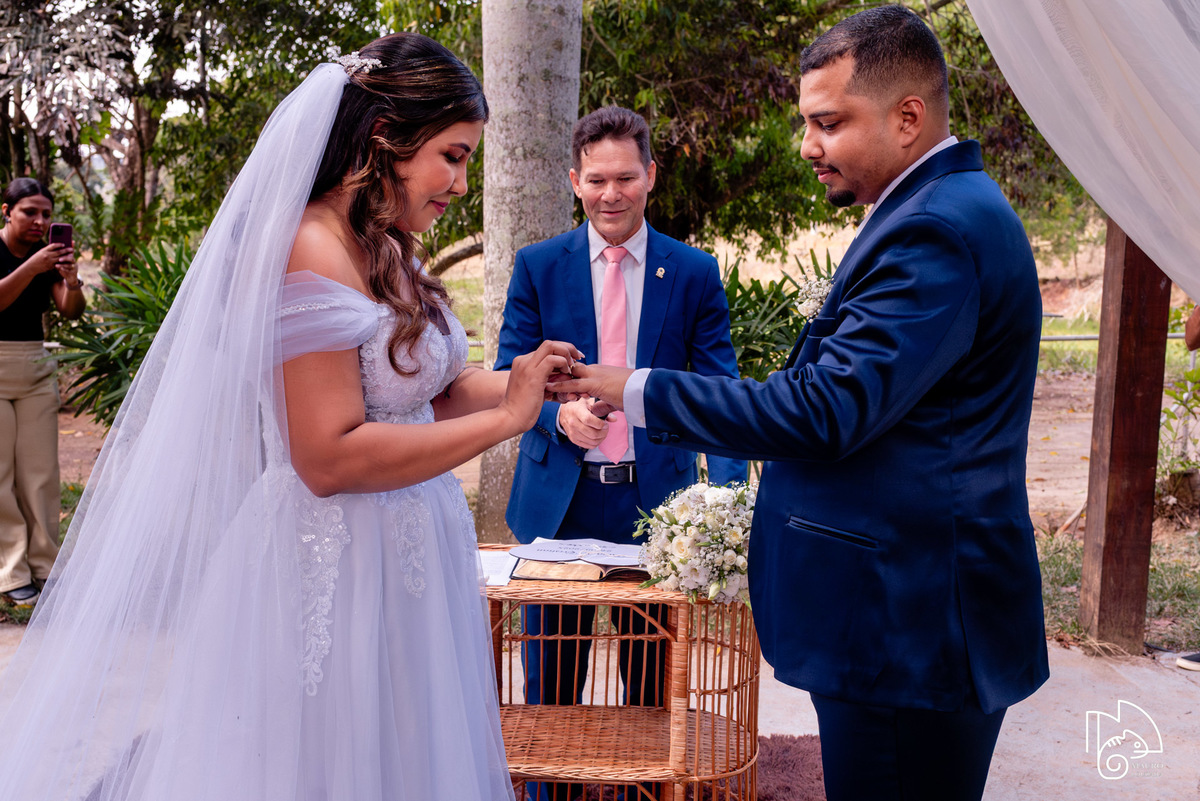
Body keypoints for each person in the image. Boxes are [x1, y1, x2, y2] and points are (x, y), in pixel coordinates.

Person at [0, 33, 579, 801]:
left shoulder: (388, 245)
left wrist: (528, 383)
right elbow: (327, 456)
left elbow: (428, 389)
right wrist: (508, 420)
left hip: (411, 557)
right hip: (335, 566)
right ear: (385, 139)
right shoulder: (309, 247)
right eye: (452, 155)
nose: (461, 183)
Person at [557, 7, 1049, 800]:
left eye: (828, 122)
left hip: (906, 622)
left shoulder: (936, 231)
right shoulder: (931, 211)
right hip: (899, 612)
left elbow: (825, 409)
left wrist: (632, 386)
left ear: (908, 118)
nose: (807, 145)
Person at [495, 105, 745, 801]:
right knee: (550, 693)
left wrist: (729, 506)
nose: (611, 193)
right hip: (559, 508)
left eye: (625, 178)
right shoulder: (537, 267)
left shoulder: (693, 272)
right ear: (575, 181)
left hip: (657, 512)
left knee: (651, 697)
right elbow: (508, 375)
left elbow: (719, 392)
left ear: (651, 176)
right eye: (597, 179)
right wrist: (558, 416)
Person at [0, 178, 86, 607]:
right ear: (6, 211)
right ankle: (11, 571)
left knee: (41, 474)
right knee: (1, 476)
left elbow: (70, 311)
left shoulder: (47, 256)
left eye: (46, 214)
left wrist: (71, 281)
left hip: (34, 365)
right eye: (29, 212)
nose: (39, 221)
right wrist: (32, 267)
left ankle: (45, 565)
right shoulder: (25, 257)